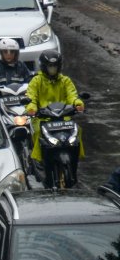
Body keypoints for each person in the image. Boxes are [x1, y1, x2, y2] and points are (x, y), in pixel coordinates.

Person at [25, 51, 84, 179]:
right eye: (50, 66)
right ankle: (39, 160)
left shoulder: (65, 81)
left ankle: (75, 158)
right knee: (36, 133)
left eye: (55, 66)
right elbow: (31, 97)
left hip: (64, 118)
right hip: (42, 118)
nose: (52, 69)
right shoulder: (36, 81)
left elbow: (72, 95)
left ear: (59, 66)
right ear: (44, 67)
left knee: (77, 130)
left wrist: (77, 103)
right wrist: (32, 108)